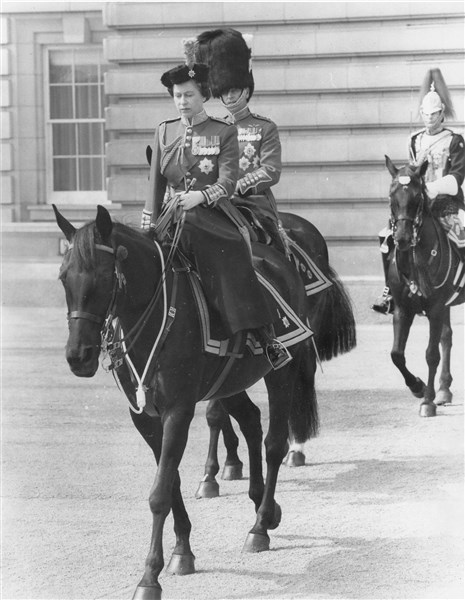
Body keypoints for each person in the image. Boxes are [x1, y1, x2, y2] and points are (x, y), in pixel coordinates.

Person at [141, 60, 291, 369]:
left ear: (204, 96)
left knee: (230, 251)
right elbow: (155, 183)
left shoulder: (223, 131)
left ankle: (261, 334)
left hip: (210, 211)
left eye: (189, 95)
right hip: (171, 213)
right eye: (178, 96)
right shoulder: (164, 130)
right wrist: (150, 221)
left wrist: (201, 196)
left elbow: (228, 182)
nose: (183, 102)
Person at [372, 68, 465, 314]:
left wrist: (432, 187)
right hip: (420, 205)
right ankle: (390, 290)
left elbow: (457, 177)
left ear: (442, 113)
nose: (429, 119)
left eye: (434, 114)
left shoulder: (455, 140)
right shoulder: (414, 140)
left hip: (447, 204)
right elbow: (412, 172)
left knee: (463, 235)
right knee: (388, 235)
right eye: (425, 114)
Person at [191, 28, 289, 254]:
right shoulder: (215, 129)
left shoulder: (265, 127)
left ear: (246, 90)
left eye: (234, 90)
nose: (229, 96)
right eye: (224, 91)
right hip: (218, 200)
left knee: (269, 247)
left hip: (252, 202)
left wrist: (237, 186)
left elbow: (271, 170)